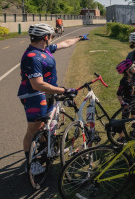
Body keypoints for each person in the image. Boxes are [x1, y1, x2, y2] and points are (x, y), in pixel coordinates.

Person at [18, 23, 88, 174]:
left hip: (48, 93)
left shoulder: (44, 49)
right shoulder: (32, 57)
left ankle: (44, 151)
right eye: (51, 36)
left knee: (43, 126)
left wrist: (79, 38)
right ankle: (31, 164)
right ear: (45, 37)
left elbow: (64, 44)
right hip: (34, 96)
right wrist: (63, 90)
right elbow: (37, 84)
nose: (53, 39)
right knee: (33, 130)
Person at [115, 59, 135, 141]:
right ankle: (121, 137)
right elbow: (119, 94)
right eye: (133, 66)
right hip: (127, 103)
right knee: (124, 121)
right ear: (127, 70)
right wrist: (122, 103)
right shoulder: (124, 81)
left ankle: (134, 132)